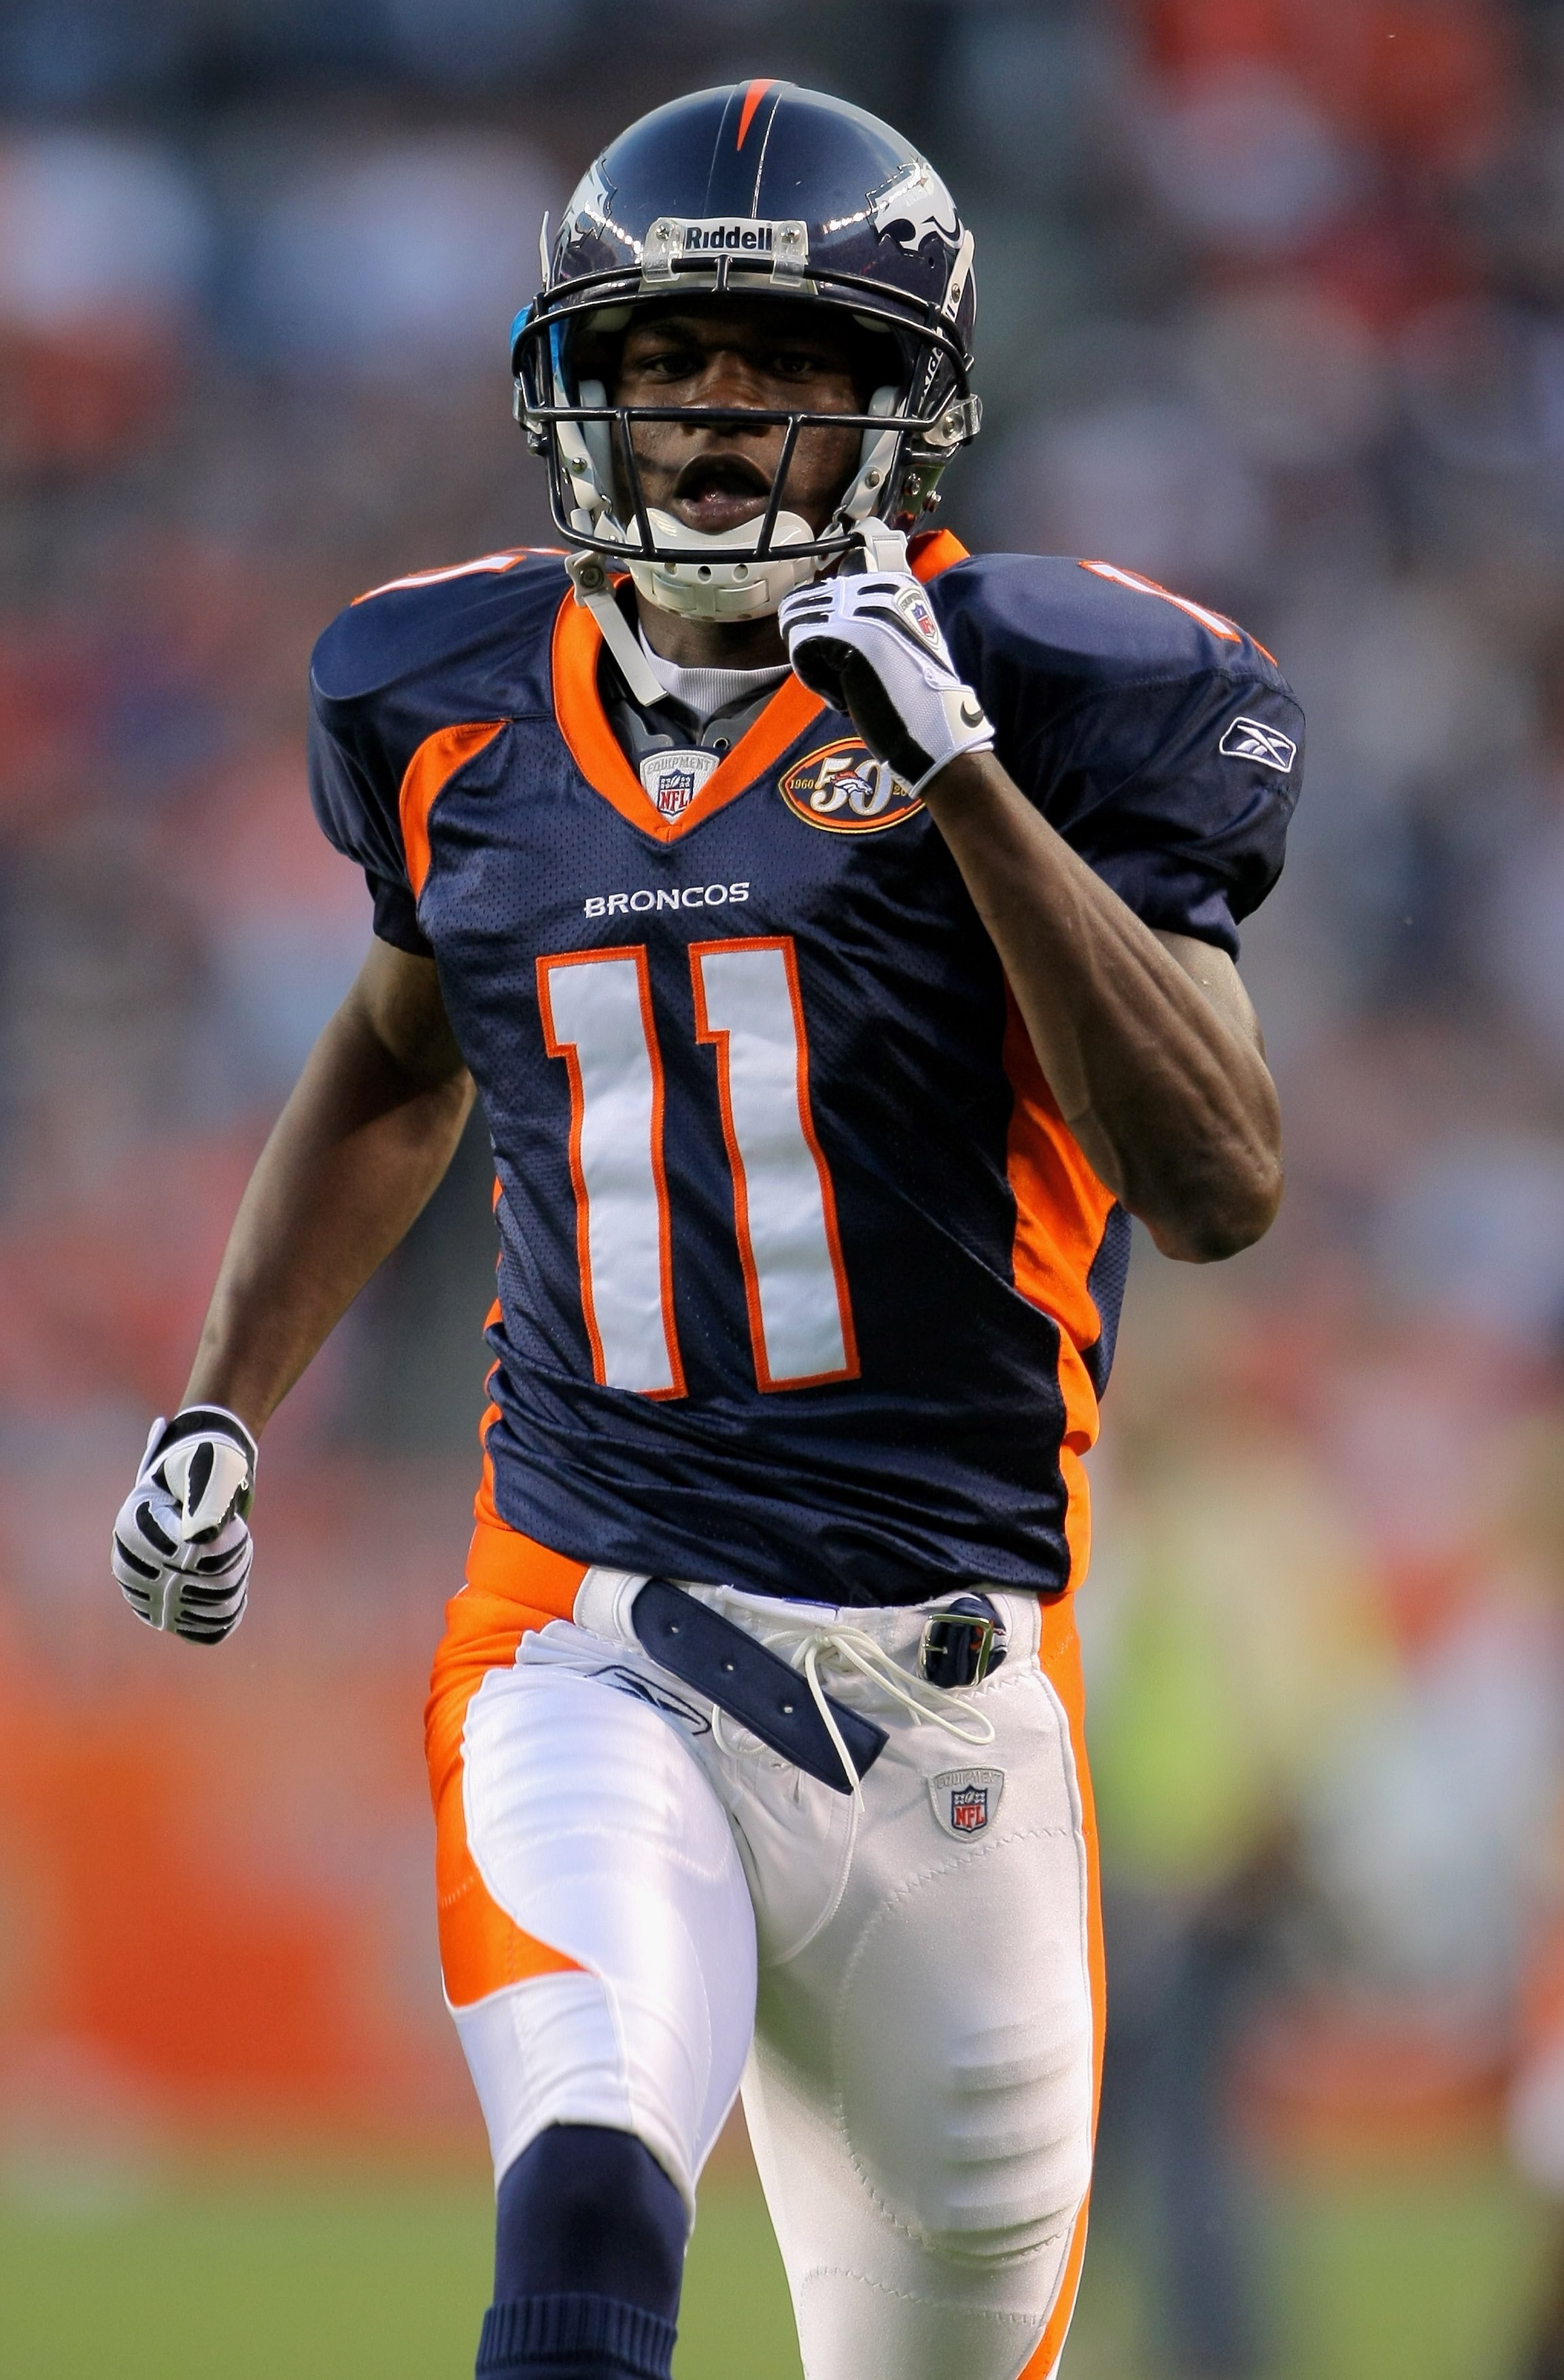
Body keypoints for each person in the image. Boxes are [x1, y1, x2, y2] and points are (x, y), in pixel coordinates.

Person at [110, 80, 1299, 2380]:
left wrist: (958, 777)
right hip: (588, 1632)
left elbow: (1219, 1178)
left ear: (904, 405)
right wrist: (222, 1398)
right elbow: (393, 1051)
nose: (721, 423)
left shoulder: (1068, 688)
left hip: (955, 1707)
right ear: (590, 384)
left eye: (790, 368)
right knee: (582, 2191)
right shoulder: (443, 700)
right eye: (673, 364)